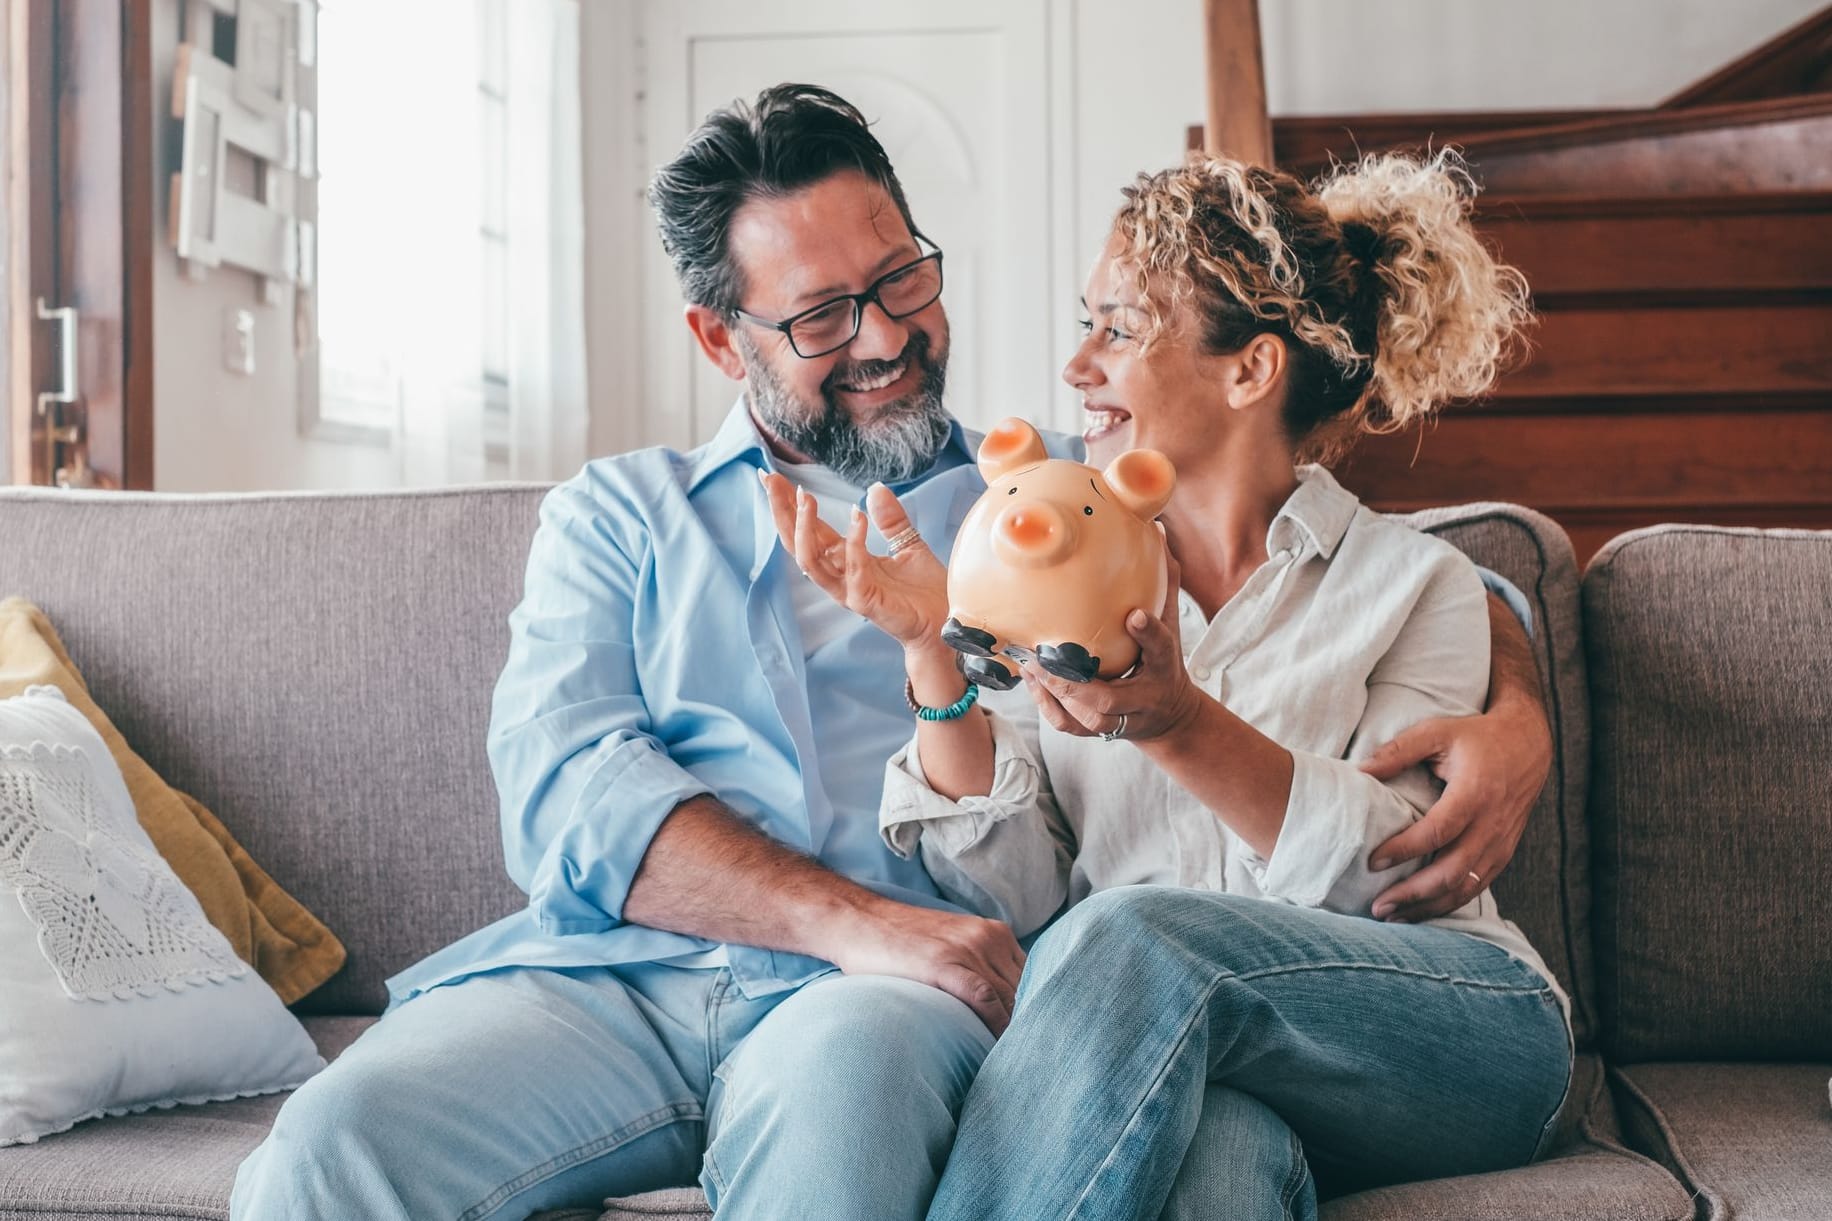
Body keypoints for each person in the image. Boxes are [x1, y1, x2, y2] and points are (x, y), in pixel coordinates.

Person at [231, 85, 1552, 1220]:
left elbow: (1351, 562)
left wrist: (1517, 666)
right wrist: (864, 914)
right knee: (329, 1148)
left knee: (859, 1103)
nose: (882, 337)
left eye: (902, 280)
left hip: (886, 1013)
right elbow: (567, 792)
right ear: (718, 336)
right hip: (618, 978)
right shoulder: (618, 515)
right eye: (819, 317)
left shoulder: (1045, 513)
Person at [766, 150, 1572, 1220]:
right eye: (1085, 323)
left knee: (1134, 935)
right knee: (1216, 1170)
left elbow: (1393, 879)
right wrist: (929, 649)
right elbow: (1014, 901)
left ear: (1248, 372)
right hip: (1213, 1071)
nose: (1076, 365)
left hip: (1443, 1037)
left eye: (1118, 329)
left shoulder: (1410, 583)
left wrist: (1174, 722)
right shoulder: (1044, 567)